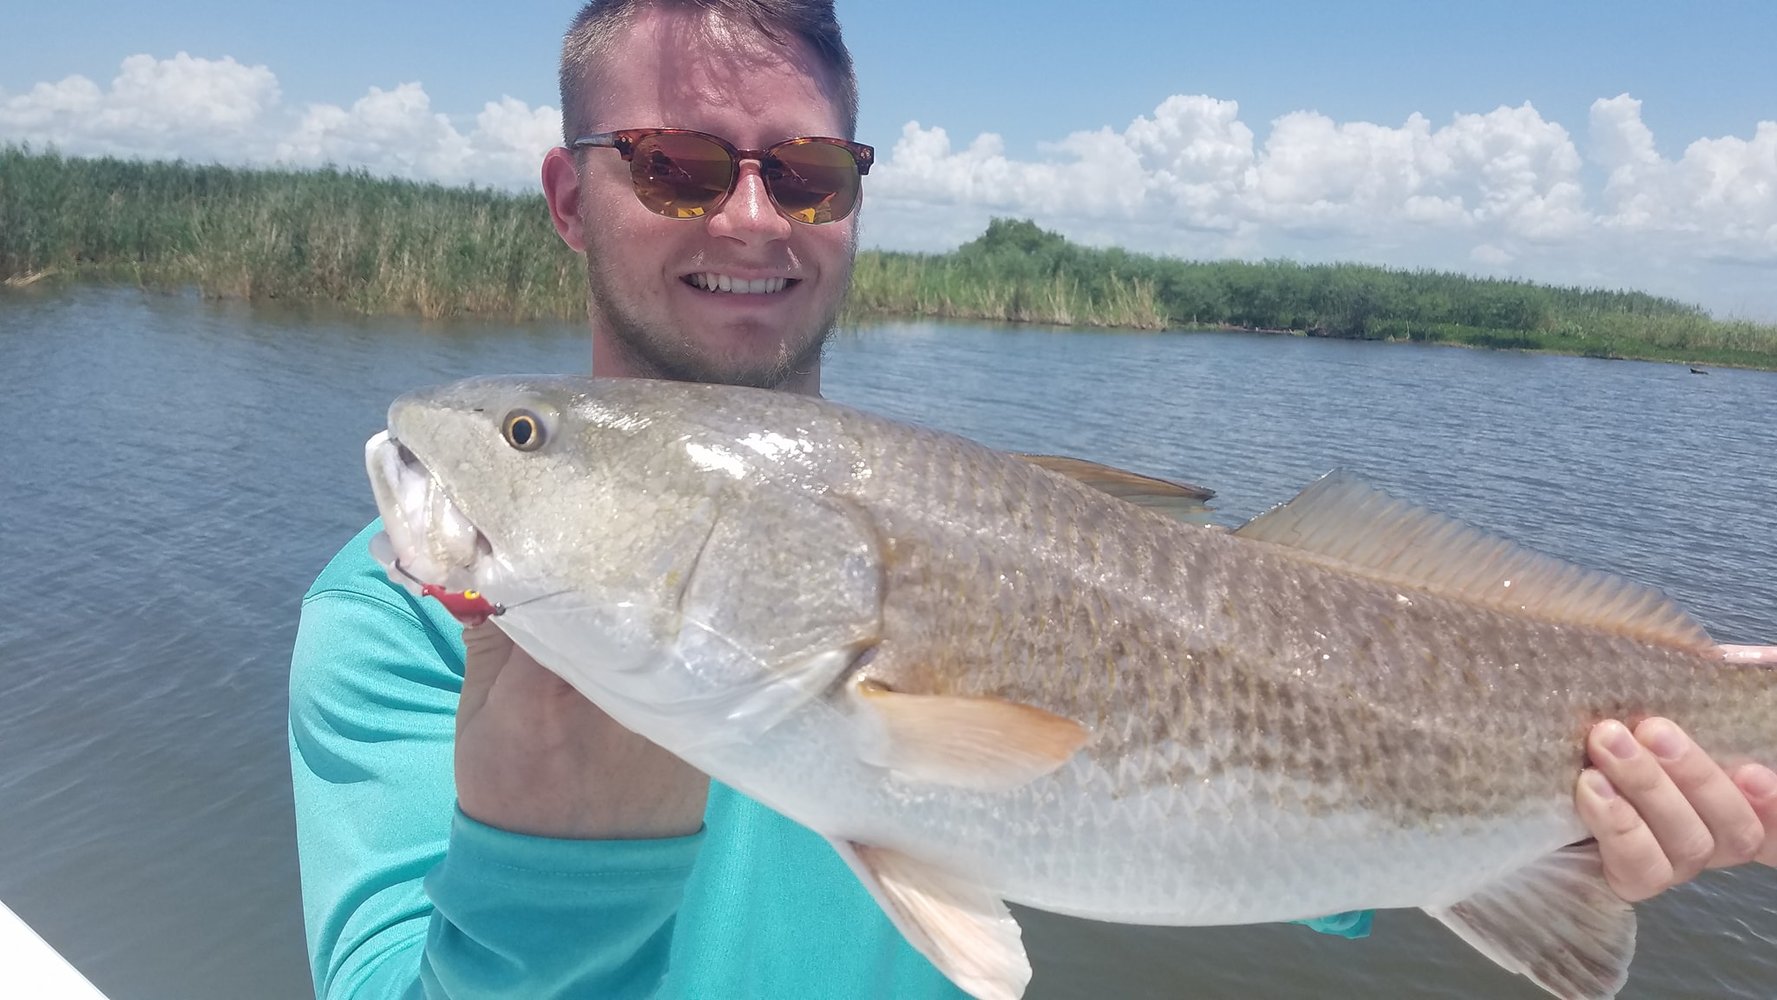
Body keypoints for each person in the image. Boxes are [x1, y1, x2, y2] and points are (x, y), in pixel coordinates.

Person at [288, 2, 1777, 997]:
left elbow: (1230, 803)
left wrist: (1595, 805)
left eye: (803, 171)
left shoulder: (990, 520)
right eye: (676, 165)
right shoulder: (394, 624)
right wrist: (554, 851)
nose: (751, 215)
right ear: (568, 195)